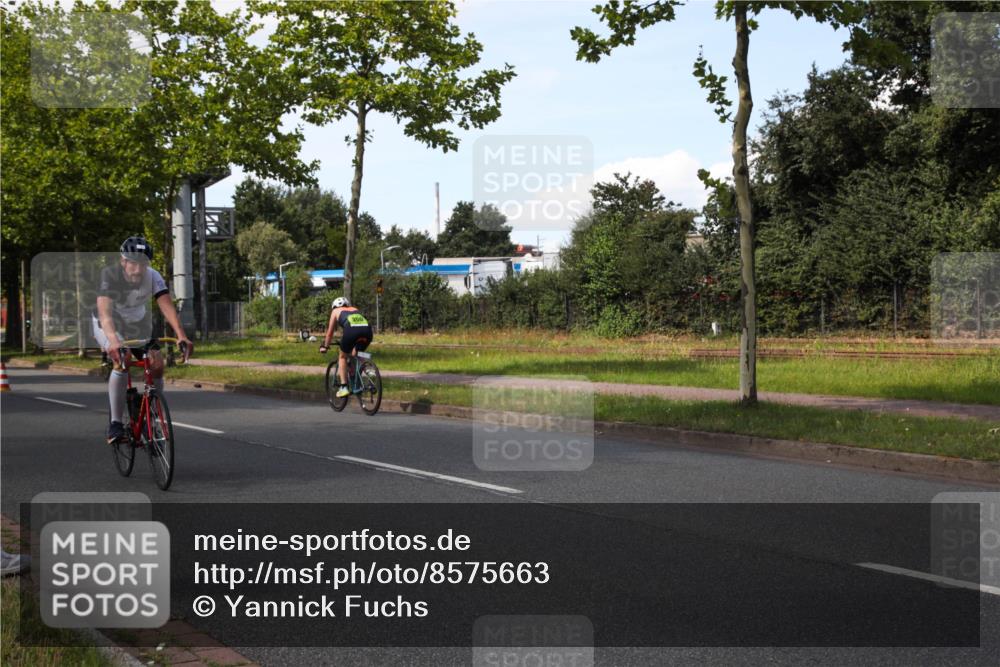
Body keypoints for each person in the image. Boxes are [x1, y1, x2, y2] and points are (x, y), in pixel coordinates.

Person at [92, 236, 193, 444]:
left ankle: (149, 414)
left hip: (136, 324)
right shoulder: (110, 276)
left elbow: (166, 306)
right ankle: (116, 424)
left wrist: (181, 335)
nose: (138, 270)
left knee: (157, 364)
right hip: (108, 323)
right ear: (123, 262)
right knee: (123, 359)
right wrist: (114, 341)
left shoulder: (153, 276)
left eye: (143, 264)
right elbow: (105, 314)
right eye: (133, 264)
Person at [319, 296, 373, 398]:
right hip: (367, 331)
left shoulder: (335, 311)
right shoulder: (355, 309)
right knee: (355, 354)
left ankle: (344, 387)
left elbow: (330, 333)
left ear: (334, 306)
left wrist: (325, 346)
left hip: (351, 331)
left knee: (342, 357)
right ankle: (358, 378)